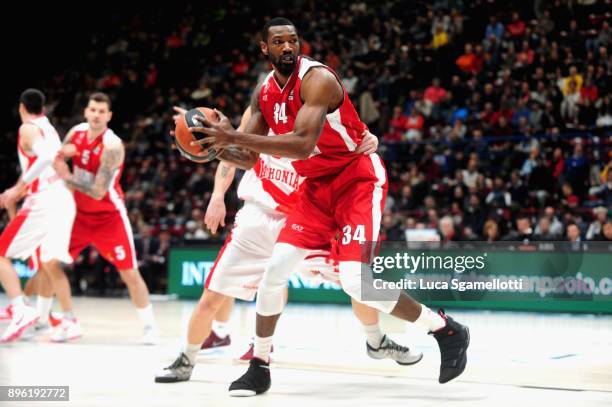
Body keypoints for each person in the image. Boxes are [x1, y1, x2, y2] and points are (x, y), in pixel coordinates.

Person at [190, 18, 470, 396]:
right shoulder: (264, 94)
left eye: (293, 40)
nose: (288, 47)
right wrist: (215, 147)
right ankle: (259, 364)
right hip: (316, 188)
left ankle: (444, 329)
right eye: (278, 42)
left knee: (357, 282)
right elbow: (249, 154)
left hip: (356, 179)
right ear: (265, 49)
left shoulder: (317, 79)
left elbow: (303, 144)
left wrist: (233, 136)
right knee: (275, 271)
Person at [155, 105, 422, 383]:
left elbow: (351, 144)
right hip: (256, 219)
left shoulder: (318, 110)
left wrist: (370, 140)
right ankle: (186, 359)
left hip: (302, 218)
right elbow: (232, 150)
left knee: (356, 280)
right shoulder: (258, 110)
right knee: (212, 295)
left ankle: (375, 341)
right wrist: (217, 194)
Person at [52, 92, 158, 344]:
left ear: (109, 116)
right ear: (86, 112)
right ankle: (56, 319)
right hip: (76, 215)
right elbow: (57, 161)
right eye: (93, 110)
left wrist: (66, 175)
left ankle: (150, 327)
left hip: (108, 217)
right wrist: (62, 154)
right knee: (49, 263)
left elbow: (99, 191)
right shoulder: (75, 133)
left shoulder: (112, 145)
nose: (97, 115)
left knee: (129, 274)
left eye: (102, 111)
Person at [0, 89, 76, 342]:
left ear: (22, 107)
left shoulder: (28, 129)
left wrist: (18, 186)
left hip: (45, 199)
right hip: (63, 198)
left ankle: (20, 308)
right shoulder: (49, 126)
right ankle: (43, 320)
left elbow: (44, 158)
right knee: (46, 263)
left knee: (0, 254)